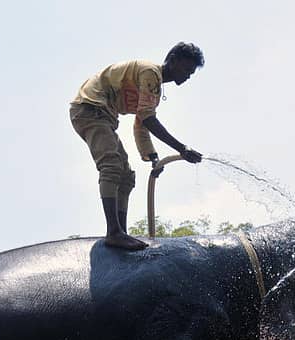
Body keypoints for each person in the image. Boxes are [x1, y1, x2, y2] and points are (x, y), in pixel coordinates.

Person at [70, 42, 205, 250]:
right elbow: (148, 118)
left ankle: (121, 233)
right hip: (90, 110)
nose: (188, 75)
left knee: (126, 176)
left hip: (103, 116)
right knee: (111, 166)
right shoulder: (150, 72)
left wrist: (152, 157)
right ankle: (114, 232)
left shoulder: (154, 88)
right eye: (187, 69)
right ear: (173, 60)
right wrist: (182, 148)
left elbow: (141, 124)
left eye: (191, 73)